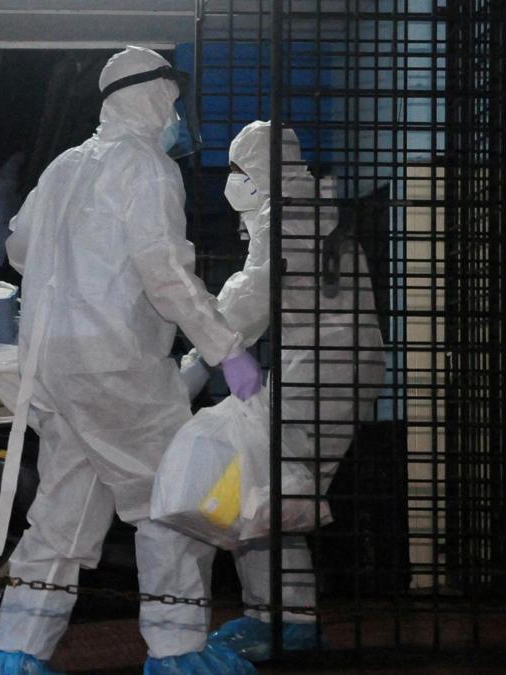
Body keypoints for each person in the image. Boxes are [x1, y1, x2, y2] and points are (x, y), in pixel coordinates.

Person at [0, 46, 263, 675]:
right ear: (155, 96)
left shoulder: (64, 165)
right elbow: (166, 275)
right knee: (169, 507)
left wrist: (74, 261)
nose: (177, 117)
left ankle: (15, 655)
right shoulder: (148, 167)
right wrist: (228, 350)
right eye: (173, 102)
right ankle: (177, 654)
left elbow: (19, 246)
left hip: (53, 370)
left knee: (61, 516)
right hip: (121, 370)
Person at [174, 121, 385, 663]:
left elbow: (252, 296)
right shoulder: (306, 207)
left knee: (262, 490)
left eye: (236, 170)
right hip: (327, 364)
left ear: (256, 171)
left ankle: (287, 621)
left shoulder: (287, 214)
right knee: (267, 489)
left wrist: (199, 358)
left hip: (324, 367)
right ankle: (275, 616)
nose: (230, 182)